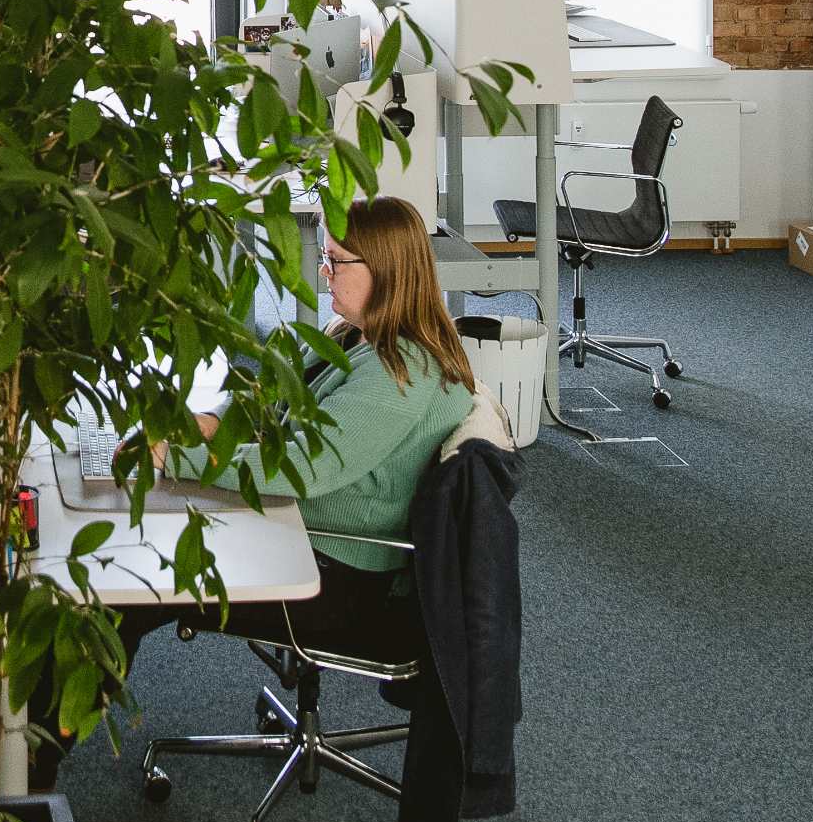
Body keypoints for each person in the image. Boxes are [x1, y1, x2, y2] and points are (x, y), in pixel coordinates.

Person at [30, 195, 478, 790]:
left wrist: (172, 458)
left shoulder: (402, 375)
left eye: (337, 261)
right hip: (301, 536)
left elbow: (297, 468)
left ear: (388, 271)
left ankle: (33, 763)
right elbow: (282, 403)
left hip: (338, 579)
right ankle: (33, 741)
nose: (324, 272)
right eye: (325, 256)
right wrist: (211, 422)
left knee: (127, 593)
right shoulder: (364, 340)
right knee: (131, 564)